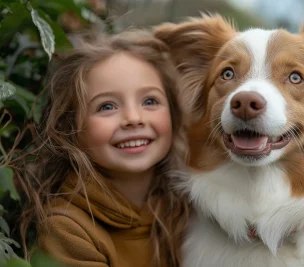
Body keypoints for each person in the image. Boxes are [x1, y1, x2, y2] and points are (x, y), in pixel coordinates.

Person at [17, 30, 190, 267]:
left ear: (173, 112)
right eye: (107, 106)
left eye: (150, 101)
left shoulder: (187, 209)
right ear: (71, 127)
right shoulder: (68, 229)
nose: (133, 118)